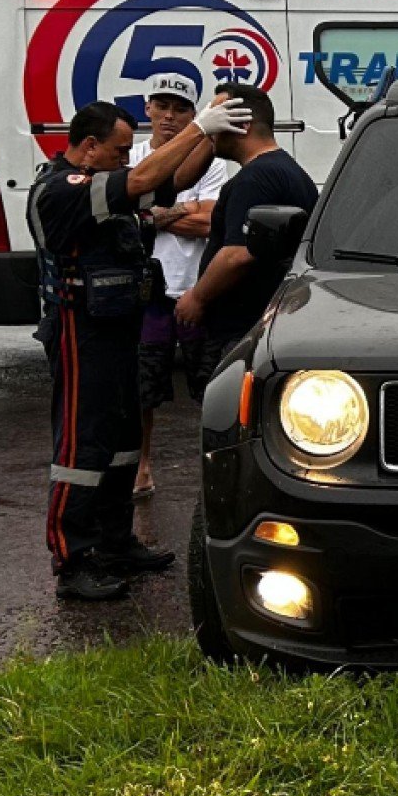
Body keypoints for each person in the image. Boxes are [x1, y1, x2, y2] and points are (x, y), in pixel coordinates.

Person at [28, 95, 250, 601]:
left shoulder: (105, 183)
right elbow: (146, 180)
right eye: (119, 150)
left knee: (123, 439)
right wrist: (197, 127)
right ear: (89, 148)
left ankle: (114, 542)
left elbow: (172, 181)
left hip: (117, 327)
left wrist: (209, 135)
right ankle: (73, 557)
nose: (126, 159)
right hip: (80, 331)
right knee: (82, 446)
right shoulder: (63, 188)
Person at [131, 73, 229, 498]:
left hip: (197, 289)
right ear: (148, 107)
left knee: (210, 389)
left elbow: (212, 221)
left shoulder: (213, 160)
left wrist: (155, 212)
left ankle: (217, 467)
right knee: (142, 389)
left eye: (181, 109)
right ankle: (142, 465)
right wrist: (182, 209)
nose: (170, 116)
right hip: (148, 294)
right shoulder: (131, 157)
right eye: (163, 106)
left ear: (194, 115)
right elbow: (127, 220)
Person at [177, 86, 317, 378]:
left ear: (241, 124)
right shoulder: (282, 169)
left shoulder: (257, 177)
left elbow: (238, 254)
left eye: (215, 117)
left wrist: (197, 298)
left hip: (242, 333)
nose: (209, 128)